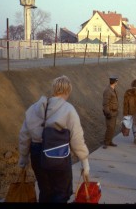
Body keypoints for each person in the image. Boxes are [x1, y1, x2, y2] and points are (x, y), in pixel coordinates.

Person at [18, 75, 90, 203]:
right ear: (68, 91)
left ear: (54, 89)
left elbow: (24, 135)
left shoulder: (34, 108)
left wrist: (23, 158)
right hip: (58, 155)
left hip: (37, 154)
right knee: (61, 192)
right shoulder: (68, 109)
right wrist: (84, 160)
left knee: (45, 191)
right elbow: (76, 138)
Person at [102, 75, 119, 149]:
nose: (117, 82)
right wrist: (108, 113)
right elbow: (105, 103)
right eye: (117, 81)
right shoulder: (108, 90)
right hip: (110, 112)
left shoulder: (113, 89)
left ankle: (109, 141)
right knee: (110, 128)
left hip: (114, 112)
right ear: (115, 82)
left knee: (112, 128)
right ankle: (106, 142)